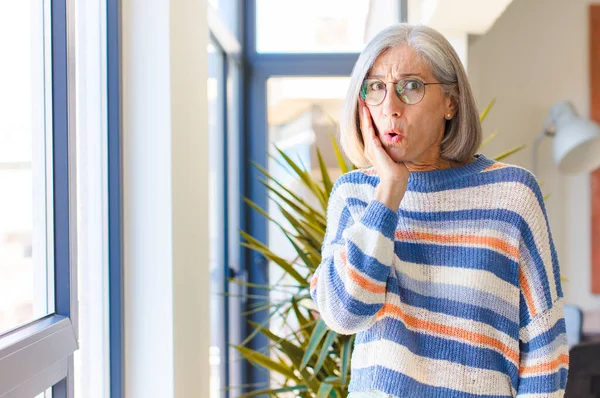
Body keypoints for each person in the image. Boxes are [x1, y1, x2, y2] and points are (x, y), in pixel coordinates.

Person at [309, 23, 569, 397]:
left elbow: (544, 345)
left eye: (411, 86)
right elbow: (344, 314)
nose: (391, 108)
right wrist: (389, 192)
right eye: (376, 87)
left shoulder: (512, 194)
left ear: (451, 102)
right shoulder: (355, 195)